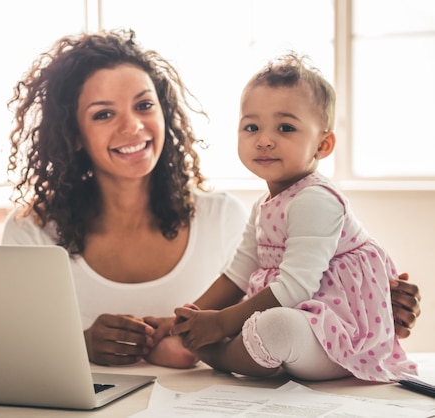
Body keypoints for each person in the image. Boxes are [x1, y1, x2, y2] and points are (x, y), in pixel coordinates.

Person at [1, 29, 421, 369]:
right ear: (72, 134)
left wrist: (378, 307)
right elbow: (4, 349)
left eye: (144, 105)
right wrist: (81, 345)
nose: (132, 126)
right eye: (104, 113)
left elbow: (287, 305)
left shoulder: (223, 215)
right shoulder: (31, 232)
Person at [171, 52, 418, 382]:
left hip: (339, 329)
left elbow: (295, 287)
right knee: (267, 322)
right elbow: (238, 273)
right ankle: (233, 348)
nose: (264, 139)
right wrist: (195, 316)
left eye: (285, 127)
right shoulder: (264, 204)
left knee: (277, 327)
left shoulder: (315, 199)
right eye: (251, 126)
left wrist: (221, 324)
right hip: (299, 315)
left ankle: (219, 354)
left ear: (323, 144)